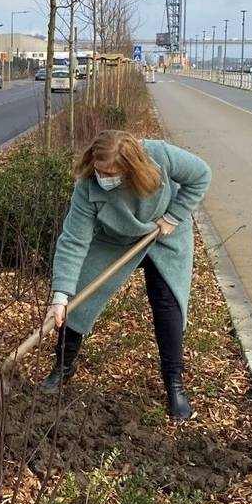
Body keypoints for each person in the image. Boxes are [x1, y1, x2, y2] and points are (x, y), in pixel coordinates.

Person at [40, 130, 211, 419]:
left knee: (167, 304)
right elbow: (74, 240)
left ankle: (174, 383)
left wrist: (173, 216)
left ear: (131, 167)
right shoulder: (88, 187)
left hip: (164, 233)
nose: (104, 177)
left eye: (111, 173)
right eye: (99, 170)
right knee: (78, 297)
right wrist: (60, 295)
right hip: (115, 240)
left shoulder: (160, 156)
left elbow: (201, 175)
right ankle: (62, 369)